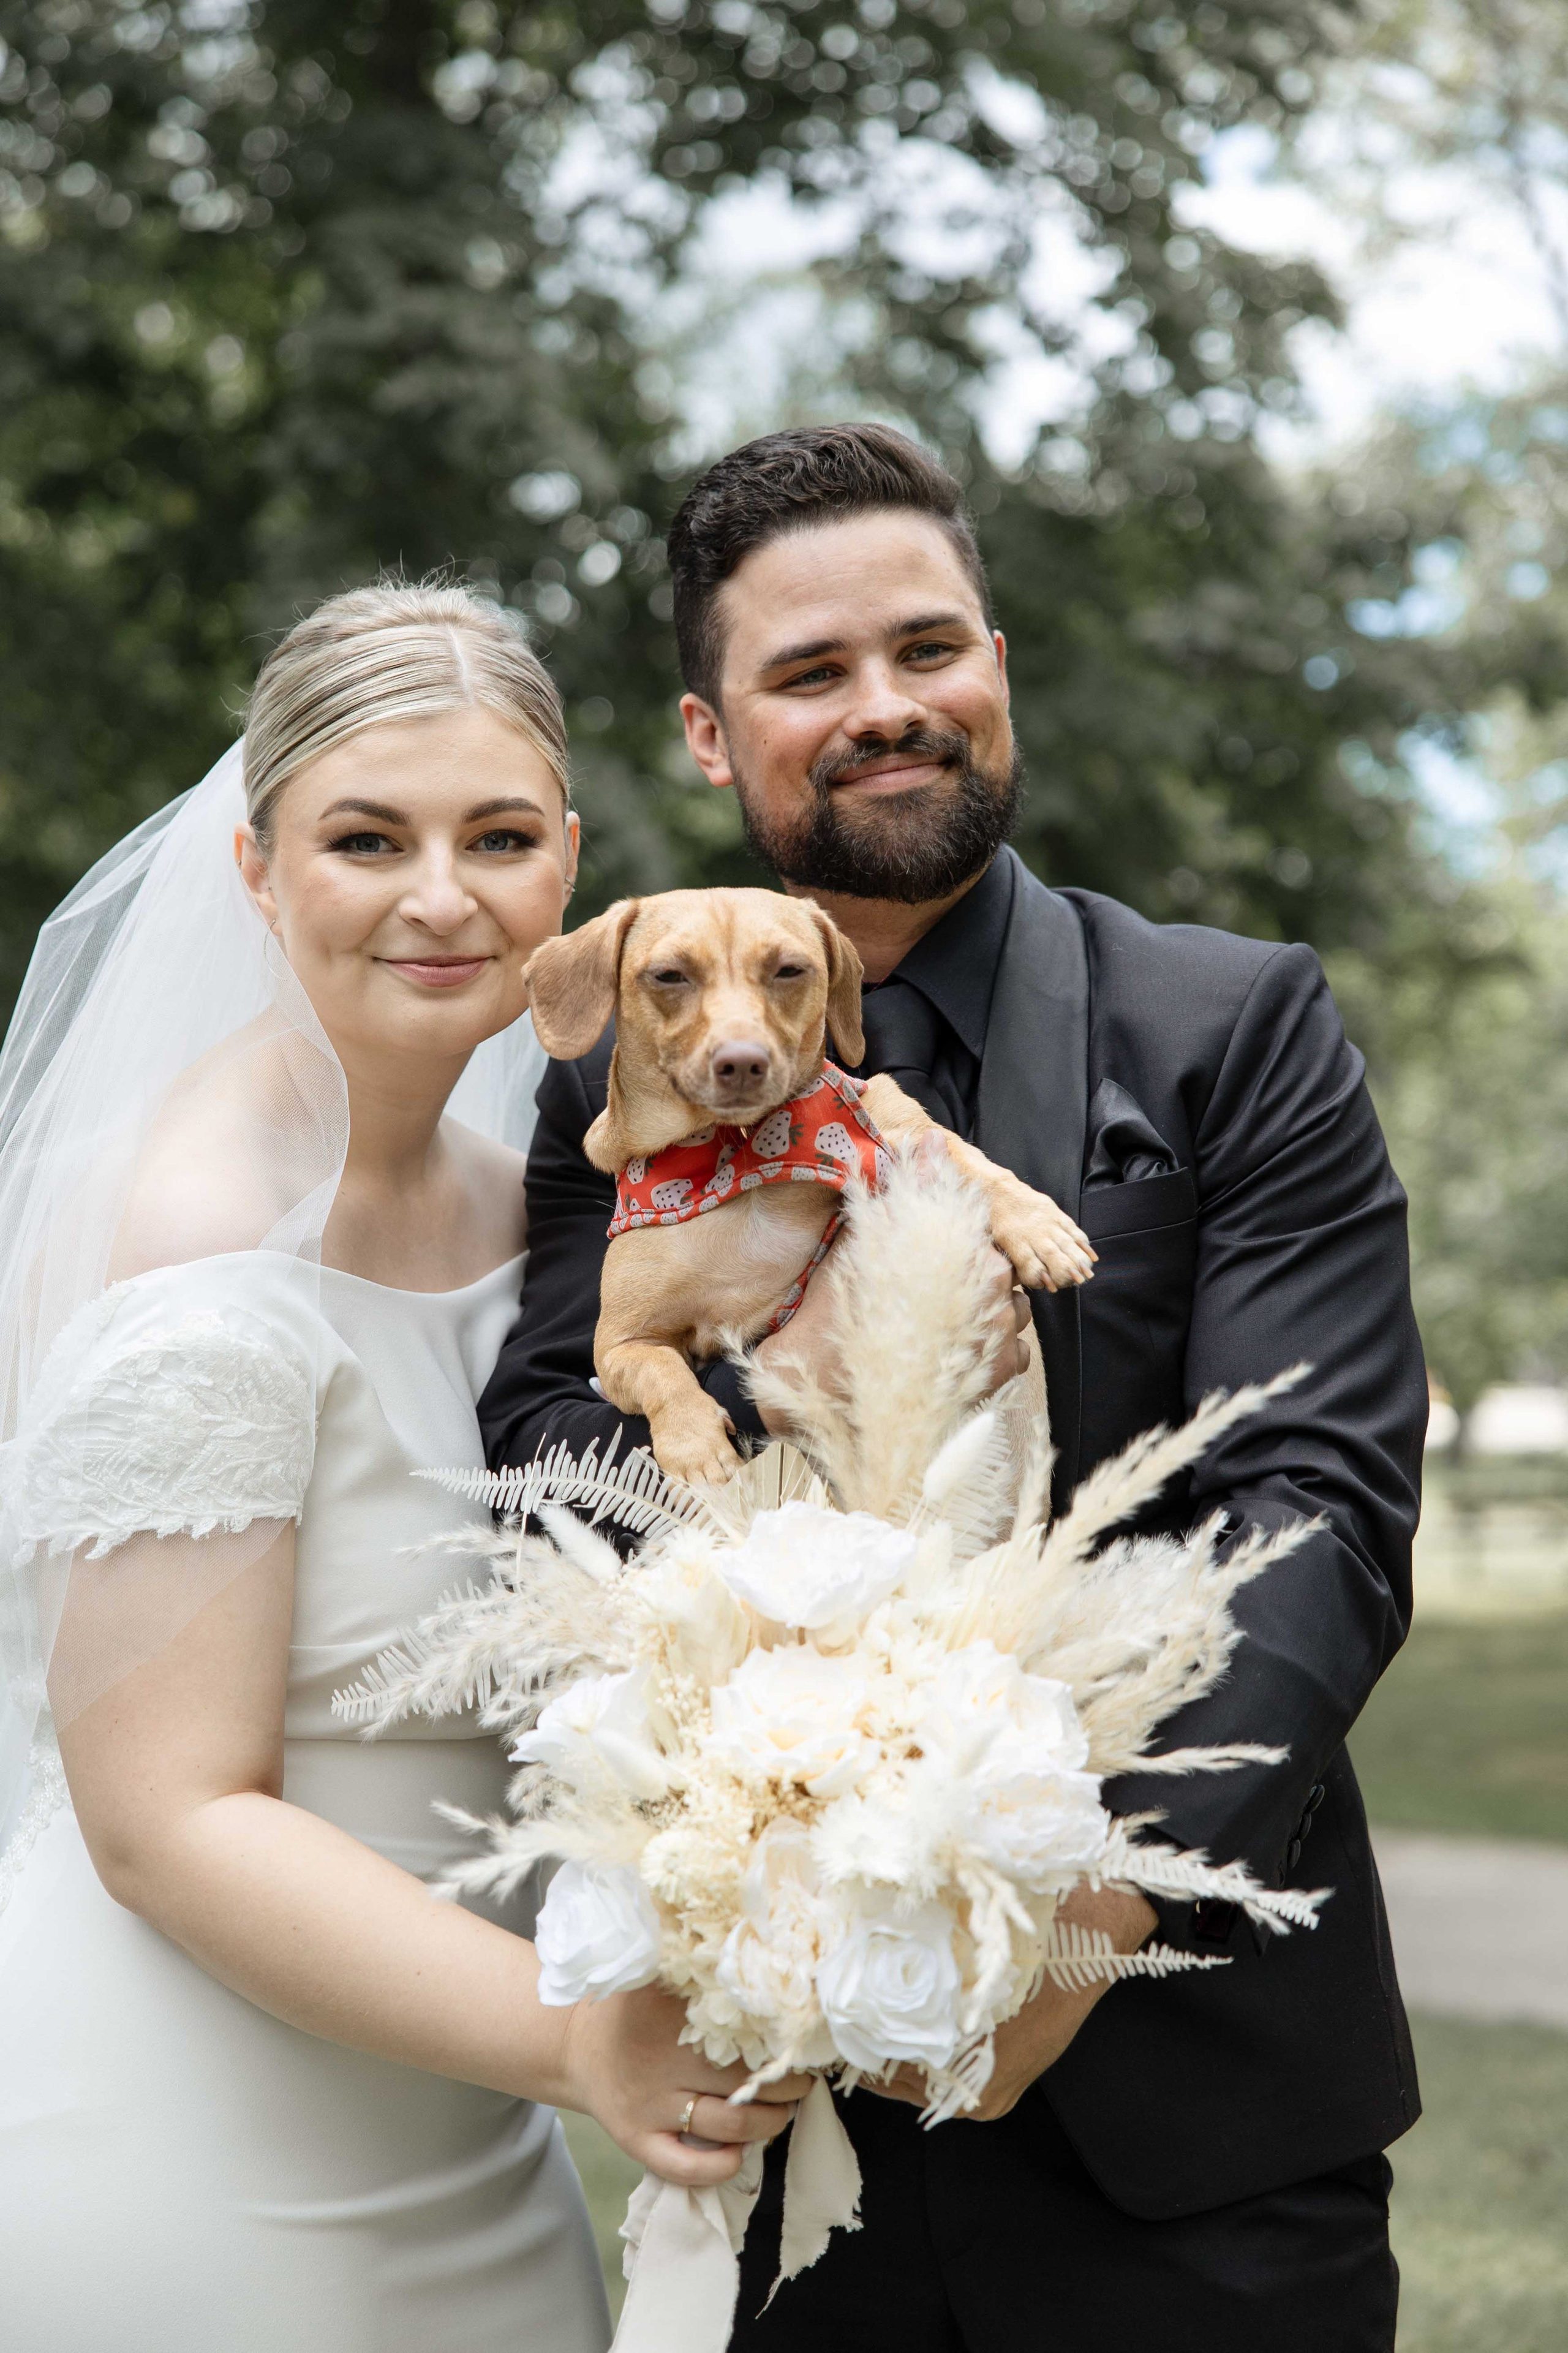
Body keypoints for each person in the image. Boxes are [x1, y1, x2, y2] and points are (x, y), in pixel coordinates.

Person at [478, 428, 1425, 2352]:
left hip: (1192, 2120)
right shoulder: (613, 1079)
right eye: (810, 671)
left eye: (927, 648)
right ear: (709, 733)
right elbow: (553, 1444)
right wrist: (784, 1706)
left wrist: (1085, 1922)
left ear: (995, 663)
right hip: (776, 2094)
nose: (886, 706)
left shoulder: (1231, 1024)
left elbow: (1315, 1509)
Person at [0, 582, 806, 2352]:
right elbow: (165, 1820)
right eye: (367, 840)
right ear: (256, 870)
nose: (443, 898)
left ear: (568, 865)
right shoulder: (201, 1237)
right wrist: (580, 2040)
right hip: (186, 2166)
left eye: (499, 839)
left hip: (470, 2147)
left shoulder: (540, 1212)